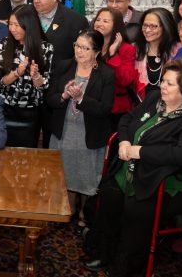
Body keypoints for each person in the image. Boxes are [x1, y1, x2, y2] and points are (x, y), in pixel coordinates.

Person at [84, 59, 182, 277]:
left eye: (170, 83)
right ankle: (103, 252)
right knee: (110, 194)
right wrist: (125, 141)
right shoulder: (155, 99)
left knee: (136, 209)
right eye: (163, 80)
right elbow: (127, 119)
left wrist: (140, 152)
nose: (162, 86)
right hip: (138, 170)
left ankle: (126, 268)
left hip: (175, 180)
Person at [46, 29, 115, 222]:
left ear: (97, 52)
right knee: (63, 175)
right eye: (77, 46)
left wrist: (82, 98)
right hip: (64, 131)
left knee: (86, 177)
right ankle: (66, 210)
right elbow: (49, 99)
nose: (79, 51)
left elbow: (105, 108)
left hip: (89, 134)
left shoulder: (106, 74)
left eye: (85, 48)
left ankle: (86, 212)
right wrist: (64, 96)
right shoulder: (64, 66)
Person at [0, 5, 52, 147]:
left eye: (17, 25)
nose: (12, 29)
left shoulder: (45, 48)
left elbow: (44, 85)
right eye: (10, 24)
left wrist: (36, 76)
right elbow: (0, 81)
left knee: (27, 155)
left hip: (31, 112)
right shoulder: (5, 44)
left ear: (29, 24)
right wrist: (17, 73)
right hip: (5, 109)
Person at [92, 7, 139, 130]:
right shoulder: (89, 45)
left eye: (105, 21)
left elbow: (125, 80)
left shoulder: (127, 49)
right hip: (91, 104)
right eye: (98, 20)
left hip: (115, 108)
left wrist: (113, 54)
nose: (100, 24)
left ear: (116, 26)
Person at [33, 0, 89, 65]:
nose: (36, 0)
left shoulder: (76, 21)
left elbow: (84, 56)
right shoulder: (27, 15)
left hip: (62, 76)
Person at [135, 7, 180, 97]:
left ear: (166, 26)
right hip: (143, 106)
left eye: (153, 26)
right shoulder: (137, 49)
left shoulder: (179, 50)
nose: (147, 30)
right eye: (145, 25)